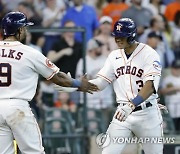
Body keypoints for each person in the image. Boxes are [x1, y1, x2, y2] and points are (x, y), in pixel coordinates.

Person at [0, 11, 98, 154]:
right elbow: (58, 77)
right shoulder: (29, 52)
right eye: (25, 28)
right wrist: (78, 84)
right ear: (19, 30)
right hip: (17, 107)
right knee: (35, 152)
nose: (26, 31)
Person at [89, 18, 163, 153]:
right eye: (116, 36)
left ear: (132, 36)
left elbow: (150, 86)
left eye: (121, 36)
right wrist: (76, 85)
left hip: (147, 113)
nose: (117, 39)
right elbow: (100, 83)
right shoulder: (114, 56)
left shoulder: (149, 54)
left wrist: (132, 104)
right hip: (122, 113)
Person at [160, 60, 180, 132]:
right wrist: (175, 88)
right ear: (172, 68)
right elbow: (162, 91)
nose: (177, 70)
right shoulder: (167, 79)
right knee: (172, 126)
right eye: (175, 68)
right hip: (171, 104)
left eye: (178, 68)